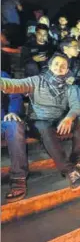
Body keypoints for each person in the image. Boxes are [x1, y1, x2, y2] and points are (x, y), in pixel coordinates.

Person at [0, 53, 80, 190]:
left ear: (67, 70)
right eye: (56, 64)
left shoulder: (69, 87)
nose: (59, 68)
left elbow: (76, 106)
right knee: (44, 125)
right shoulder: (37, 81)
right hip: (38, 121)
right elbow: (14, 85)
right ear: (50, 66)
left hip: (58, 120)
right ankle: (69, 170)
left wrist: (68, 118)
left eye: (63, 66)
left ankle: (76, 161)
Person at [1, 70, 27, 202]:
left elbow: (14, 95)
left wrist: (13, 111)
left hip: (2, 119)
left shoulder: (2, 75)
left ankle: (18, 177)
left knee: (14, 125)